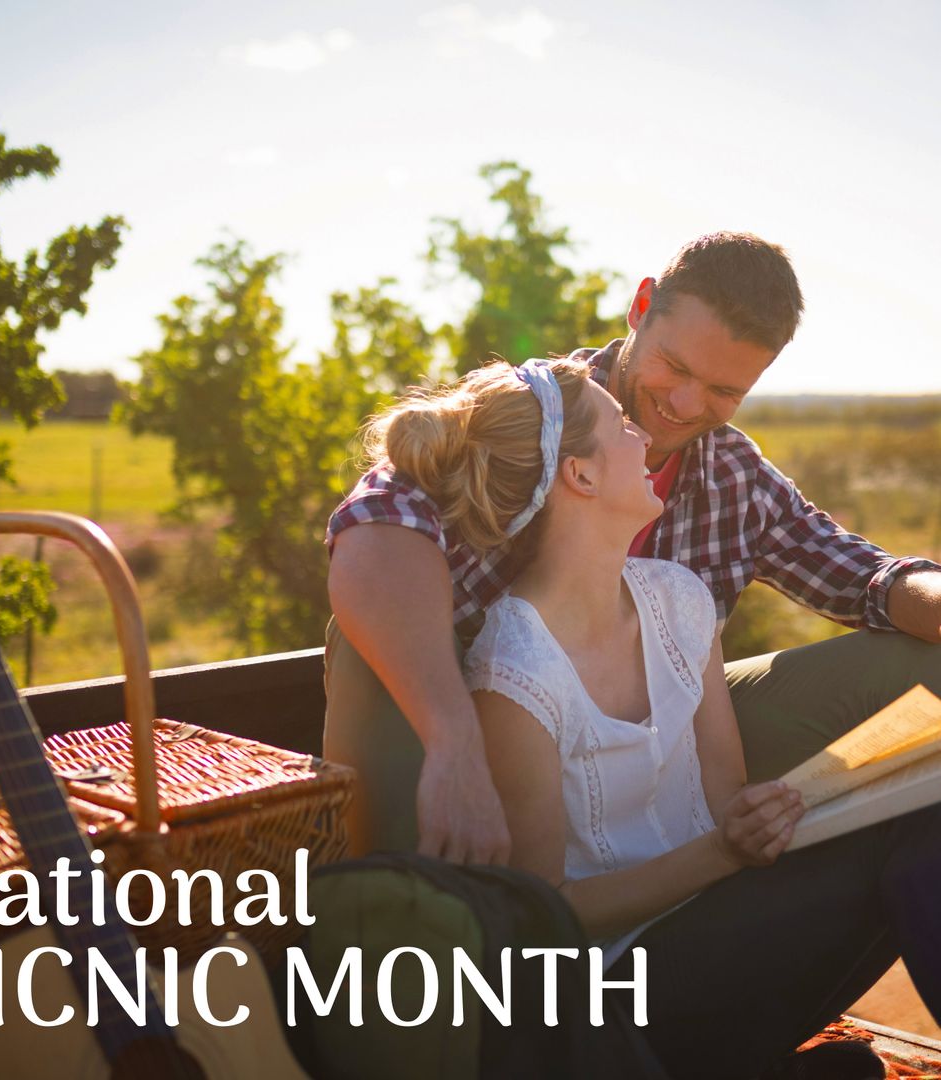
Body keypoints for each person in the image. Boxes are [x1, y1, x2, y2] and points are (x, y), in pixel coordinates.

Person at [358, 355, 941, 1080]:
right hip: (616, 994)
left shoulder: (679, 599)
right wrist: (727, 852)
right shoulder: (514, 676)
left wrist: (770, 817)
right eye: (624, 426)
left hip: (715, 922)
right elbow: (547, 923)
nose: (645, 442)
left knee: (923, 800)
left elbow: (721, 803)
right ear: (582, 475)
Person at [324, 231, 941, 863]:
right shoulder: (535, 413)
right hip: (479, 744)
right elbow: (377, 527)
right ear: (641, 306)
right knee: (366, 643)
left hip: (650, 746)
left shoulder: (732, 476)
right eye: (675, 368)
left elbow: (870, 576)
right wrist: (453, 740)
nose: (684, 405)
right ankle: (391, 917)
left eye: (725, 393)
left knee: (925, 672)